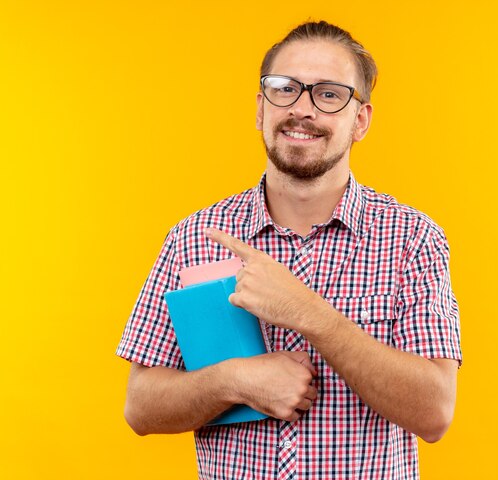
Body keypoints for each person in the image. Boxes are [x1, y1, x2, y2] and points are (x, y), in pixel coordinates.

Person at [117, 20, 462, 480]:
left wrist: (310, 313)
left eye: (329, 94)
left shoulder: (413, 238)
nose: (303, 110)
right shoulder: (195, 236)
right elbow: (141, 407)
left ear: (360, 120)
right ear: (261, 108)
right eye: (285, 89)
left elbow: (434, 411)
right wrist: (235, 379)